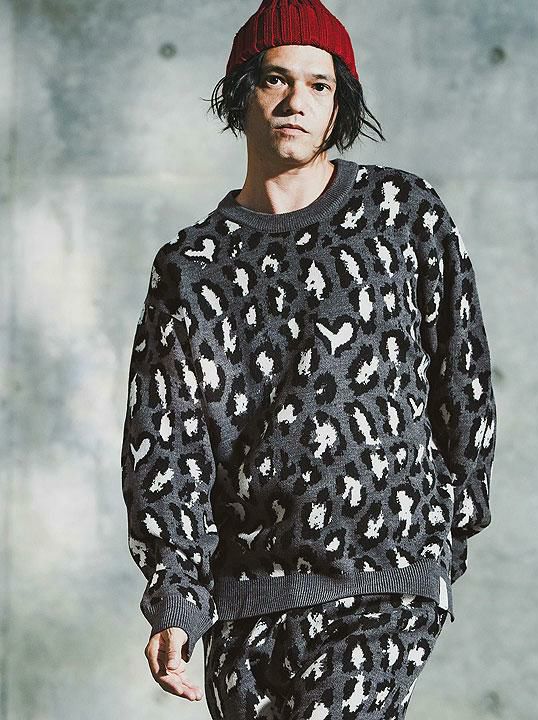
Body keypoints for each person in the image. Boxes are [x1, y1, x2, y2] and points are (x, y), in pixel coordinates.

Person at [120, 0, 498, 716]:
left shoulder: (401, 213)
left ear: (338, 103)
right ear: (242, 92)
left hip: (386, 578)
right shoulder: (193, 267)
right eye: (276, 79)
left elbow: (462, 372)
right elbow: (166, 442)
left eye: (319, 85)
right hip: (247, 599)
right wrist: (175, 597)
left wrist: (447, 529)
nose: (297, 101)